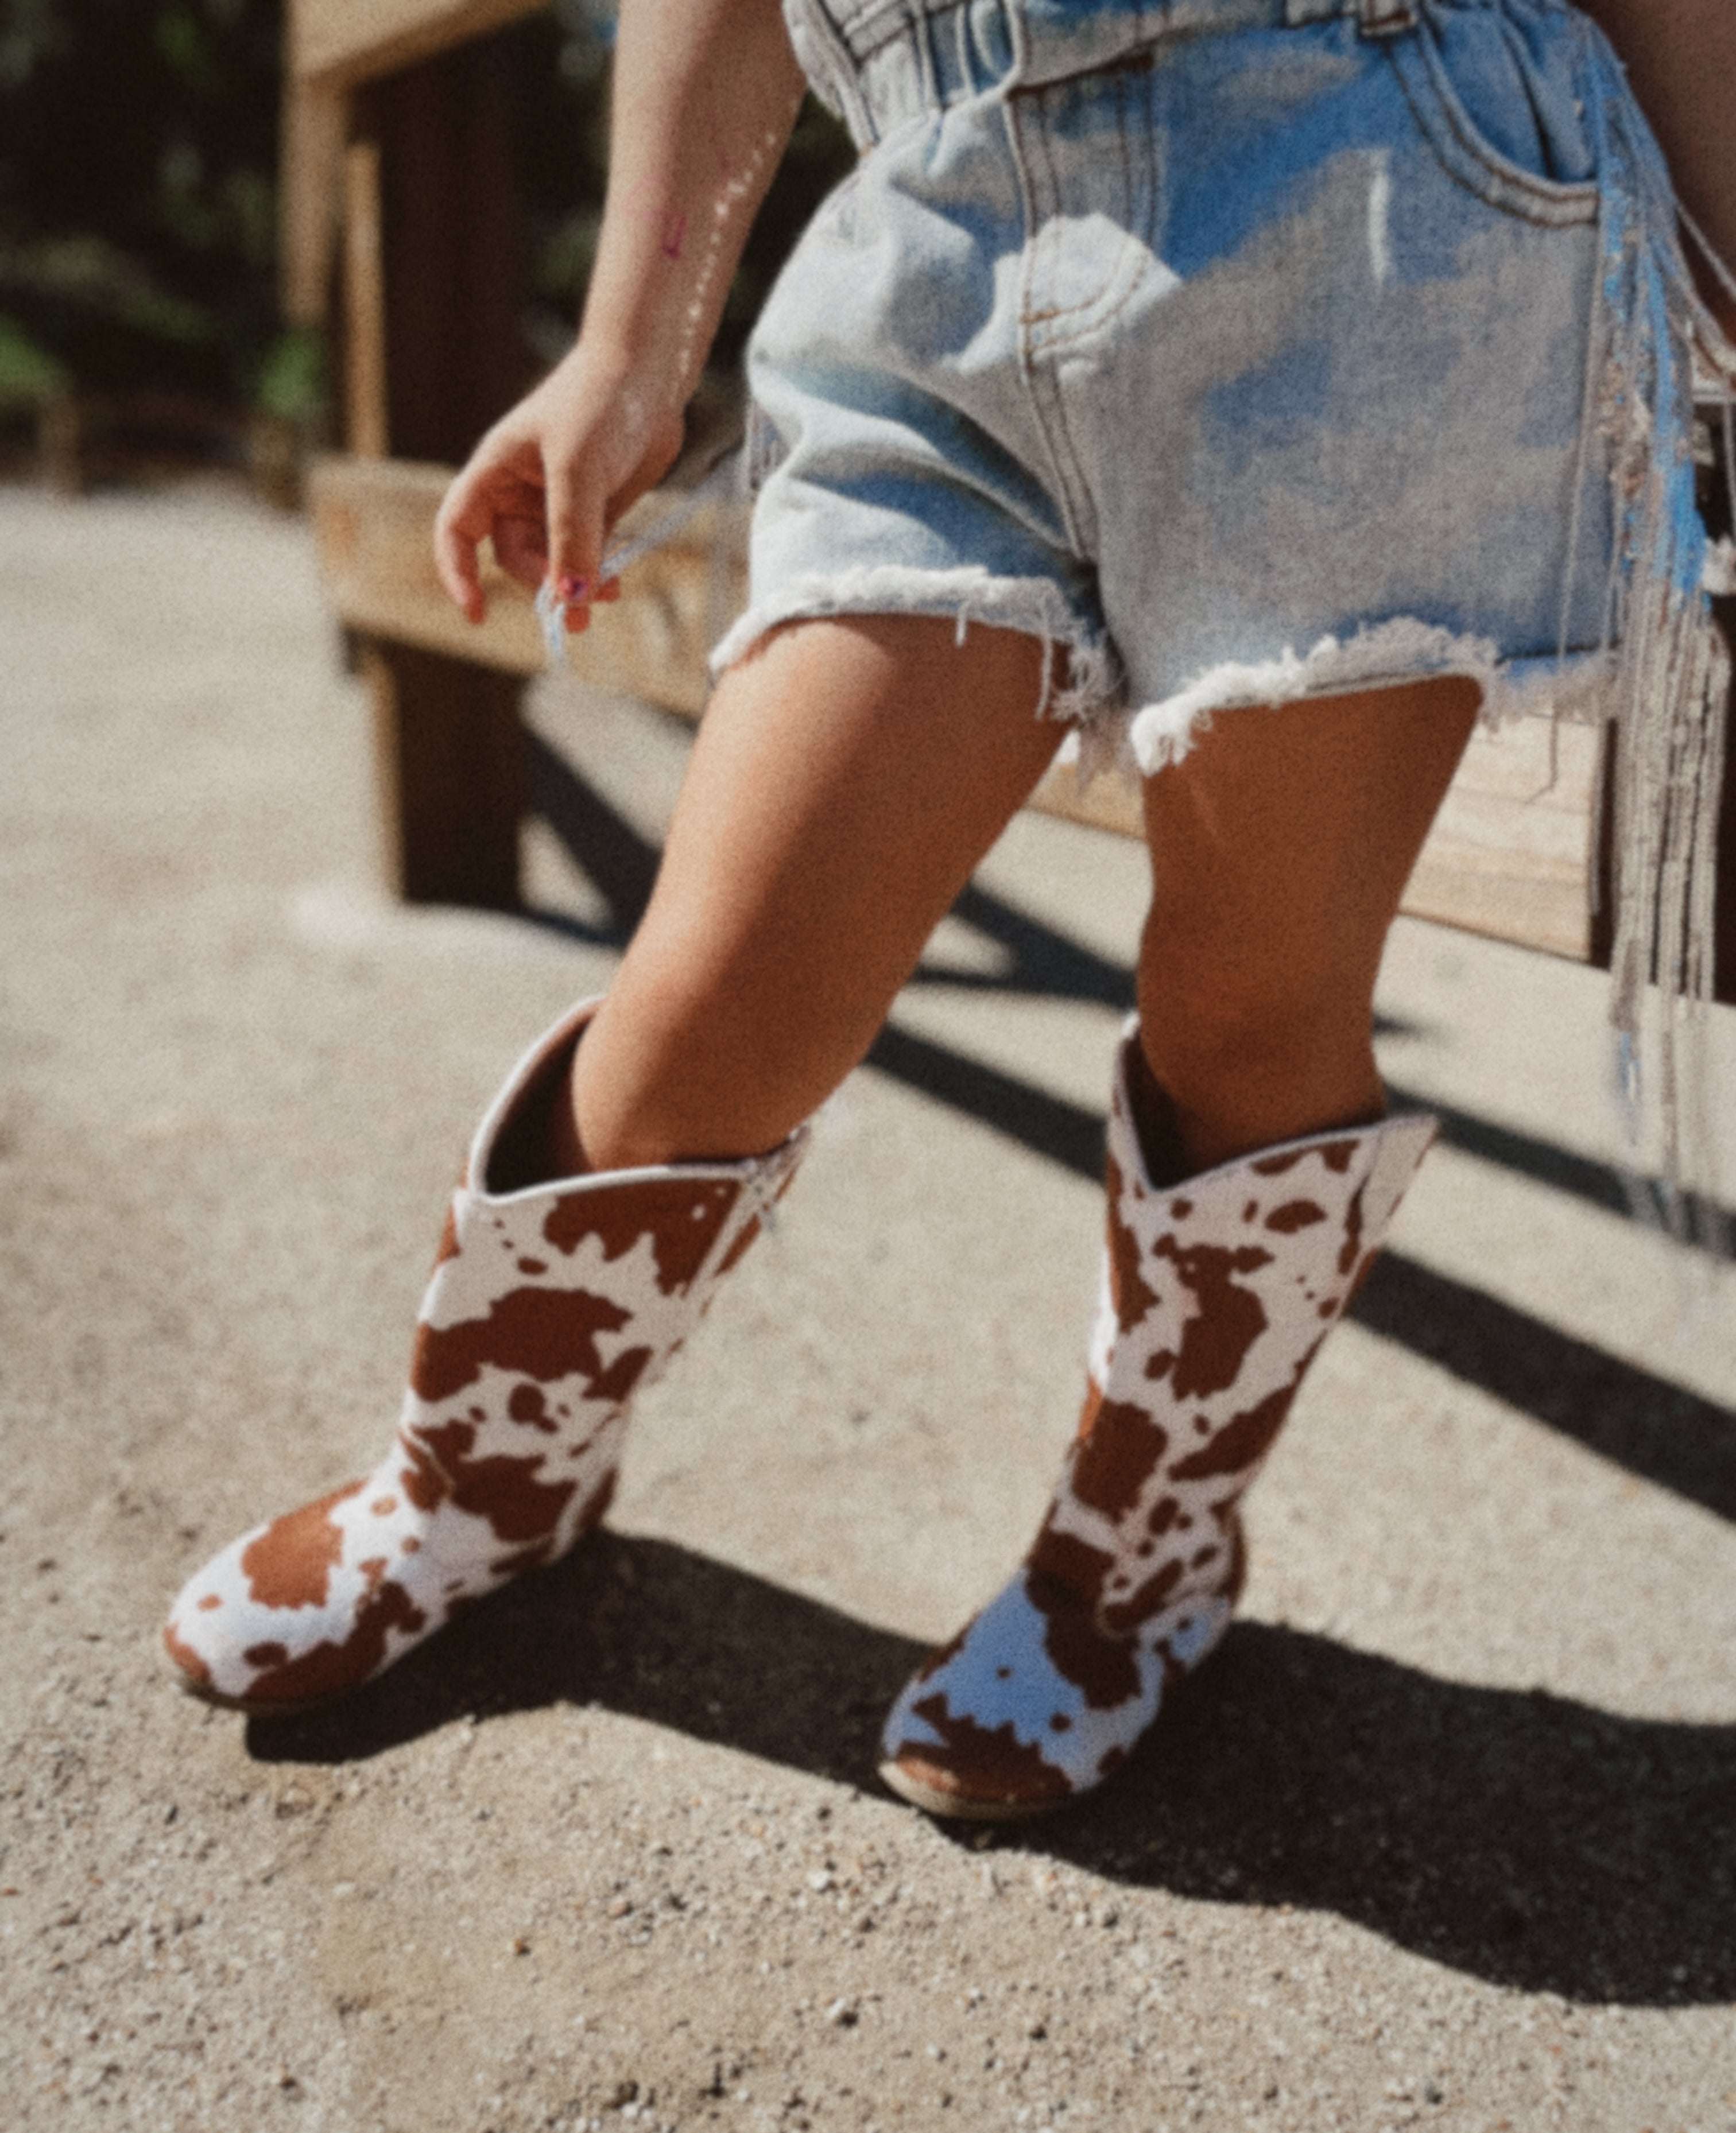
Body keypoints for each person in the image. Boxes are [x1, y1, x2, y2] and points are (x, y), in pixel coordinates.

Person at [163, 0, 1734, 1818]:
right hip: (930, 219)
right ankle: (481, 1480)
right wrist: (629, 344)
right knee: (721, 994)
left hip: (1370, 212)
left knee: (1253, 1003)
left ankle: (1135, 1564)